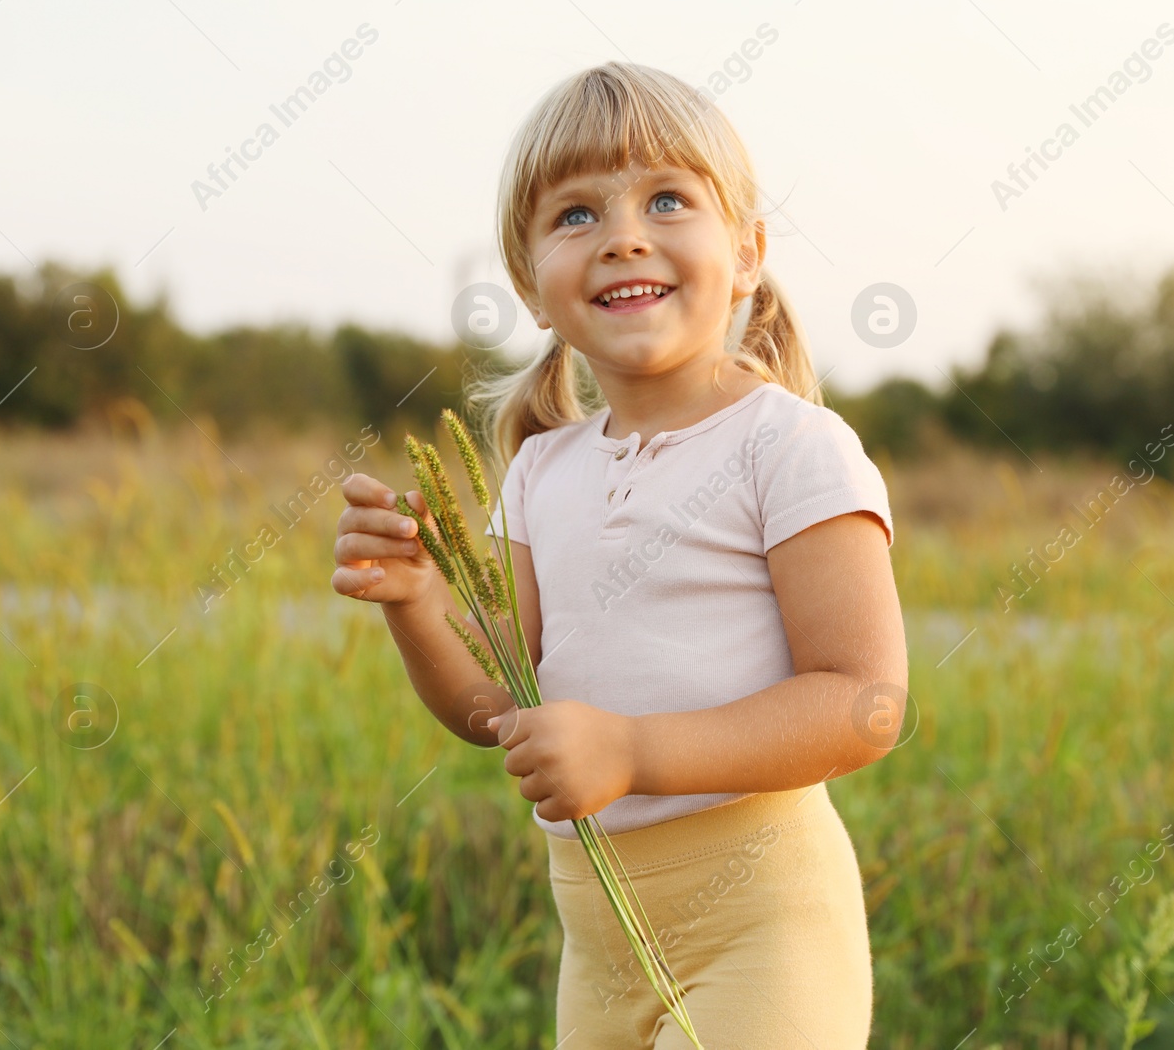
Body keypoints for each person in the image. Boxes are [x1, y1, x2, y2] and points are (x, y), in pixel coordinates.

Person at [331, 61, 907, 1049]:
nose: (624, 235)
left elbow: (863, 702)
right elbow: (500, 705)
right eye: (575, 215)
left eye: (668, 199)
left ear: (748, 249)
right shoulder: (539, 469)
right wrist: (417, 606)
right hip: (596, 942)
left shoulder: (792, 447)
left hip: (763, 920)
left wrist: (634, 751)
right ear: (532, 288)